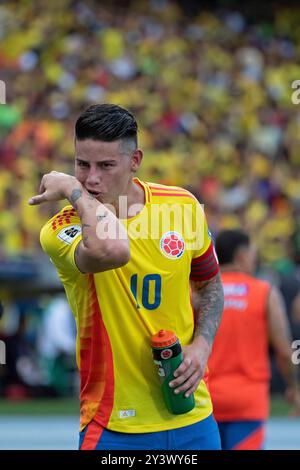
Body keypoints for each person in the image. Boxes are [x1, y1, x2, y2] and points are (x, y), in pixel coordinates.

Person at [28, 103, 224, 450]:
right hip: (113, 426)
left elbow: (210, 284)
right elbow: (113, 250)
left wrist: (202, 346)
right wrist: (75, 194)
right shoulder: (60, 228)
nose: (91, 179)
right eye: (81, 165)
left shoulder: (182, 206)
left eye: (105, 166)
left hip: (192, 417)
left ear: (135, 161)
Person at [207, 229, 300, 450]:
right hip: (248, 402)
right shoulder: (264, 292)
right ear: (242, 256)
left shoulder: (202, 292)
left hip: (206, 400)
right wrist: (293, 388)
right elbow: (285, 352)